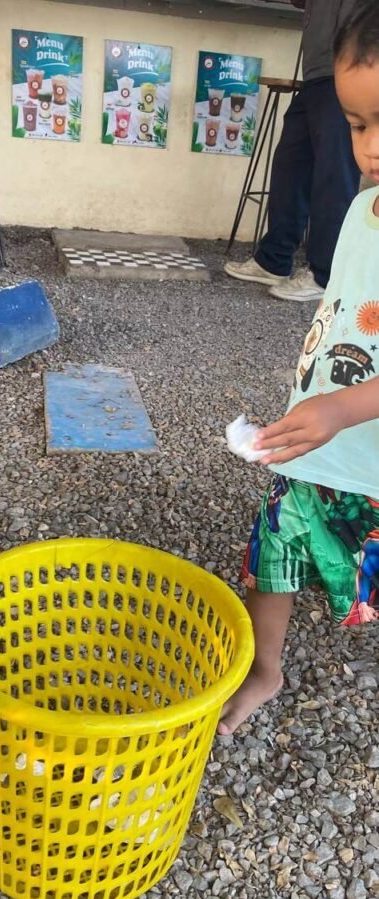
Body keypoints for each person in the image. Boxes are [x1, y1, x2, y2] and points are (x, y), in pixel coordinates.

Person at [219, 0, 379, 735]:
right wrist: (317, 400)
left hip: (365, 450)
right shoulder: (360, 209)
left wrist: (346, 409)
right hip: (317, 437)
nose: (370, 147)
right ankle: (264, 667)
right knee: (276, 544)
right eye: (357, 124)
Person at [225, 0, 360, 303]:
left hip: (348, 66)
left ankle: (325, 275)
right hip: (315, 73)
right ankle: (274, 260)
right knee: (290, 165)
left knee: (334, 176)